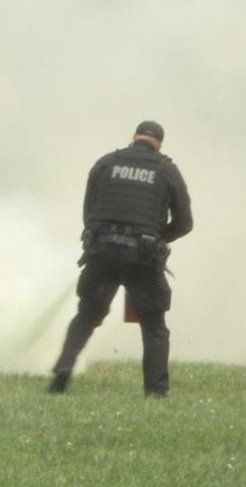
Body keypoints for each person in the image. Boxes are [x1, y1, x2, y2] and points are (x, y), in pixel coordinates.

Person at [48, 120, 192, 397]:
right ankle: (156, 392)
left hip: (102, 252)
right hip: (143, 257)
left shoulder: (105, 163)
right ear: (159, 143)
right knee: (154, 326)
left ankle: (63, 371)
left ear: (134, 137)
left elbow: (89, 211)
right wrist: (159, 238)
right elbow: (185, 222)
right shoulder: (166, 170)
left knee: (87, 316)